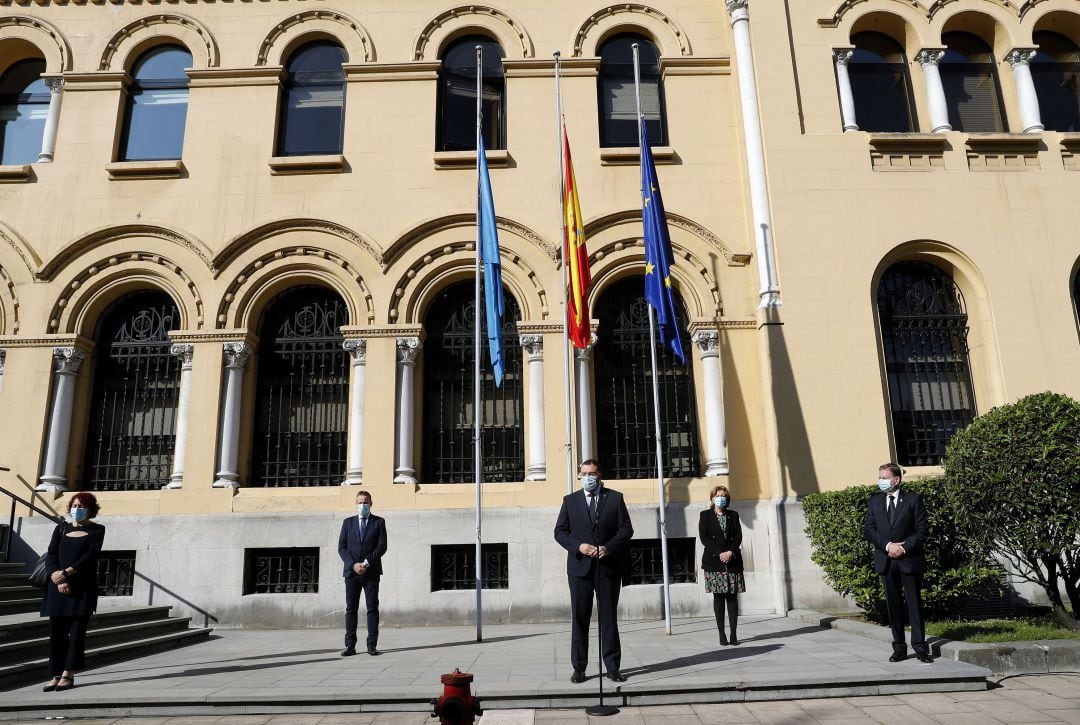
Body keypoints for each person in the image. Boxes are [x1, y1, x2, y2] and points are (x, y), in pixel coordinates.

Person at [554, 459, 634, 684]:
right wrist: (578, 546)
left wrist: (608, 547)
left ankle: (612, 667)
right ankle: (579, 667)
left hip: (607, 567)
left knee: (608, 618)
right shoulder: (570, 501)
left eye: (592, 473)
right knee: (580, 618)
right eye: (584, 473)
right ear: (579, 475)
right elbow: (560, 531)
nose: (588, 477)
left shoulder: (615, 498)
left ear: (600, 475)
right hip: (579, 568)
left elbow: (626, 529)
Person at [864, 462, 932, 664]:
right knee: (893, 606)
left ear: (896, 479)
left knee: (914, 605)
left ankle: (920, 648)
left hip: (908, 560)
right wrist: (887, 546)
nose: (881, 481)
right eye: (880, 477)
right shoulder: (875, 502)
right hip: (886, 560)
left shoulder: (912, 500)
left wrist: (904, 547)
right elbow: (869, 529)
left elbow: (922, 530)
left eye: (884, 478)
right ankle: (899, 648)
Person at [41, 491, 105, 692]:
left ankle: (69, 674)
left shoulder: (97, 530)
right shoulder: (60, 529)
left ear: (91, 510)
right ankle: (54, 674)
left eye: (82, 507)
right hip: (57, 587)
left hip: (82, 589)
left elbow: (89, 557)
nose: (77, 510)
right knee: (56, 633)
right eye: (75, 506)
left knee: (76, 633)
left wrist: (66, 574)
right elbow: (51, 554)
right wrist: (56, 577)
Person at [337, 490, 387, 657]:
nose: (363, 505)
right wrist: (353, 565)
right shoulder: (347, 523)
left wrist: (365, 563)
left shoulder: (379, 522)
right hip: (352, 573)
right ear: (356, 504)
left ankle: (371, 645)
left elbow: (381, 547)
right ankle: (350, 646)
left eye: (365, 502)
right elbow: (342, 547)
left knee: (372, 608)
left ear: (371, 503)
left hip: (371, 572)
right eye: (360, 502)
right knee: (351, 609)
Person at [698, 484, 745, 646]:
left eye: (724, 496)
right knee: (718, 597)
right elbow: (704, 538)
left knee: (732, 598)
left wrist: (730, 552)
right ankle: (722, 634)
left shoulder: (733, 515)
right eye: (718, 495)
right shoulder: (705, 515)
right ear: (712, 498)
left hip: (732, 561)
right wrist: (720, 553)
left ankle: (733, 634)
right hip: (714, 562)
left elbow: (738, 536)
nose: (721, 498)